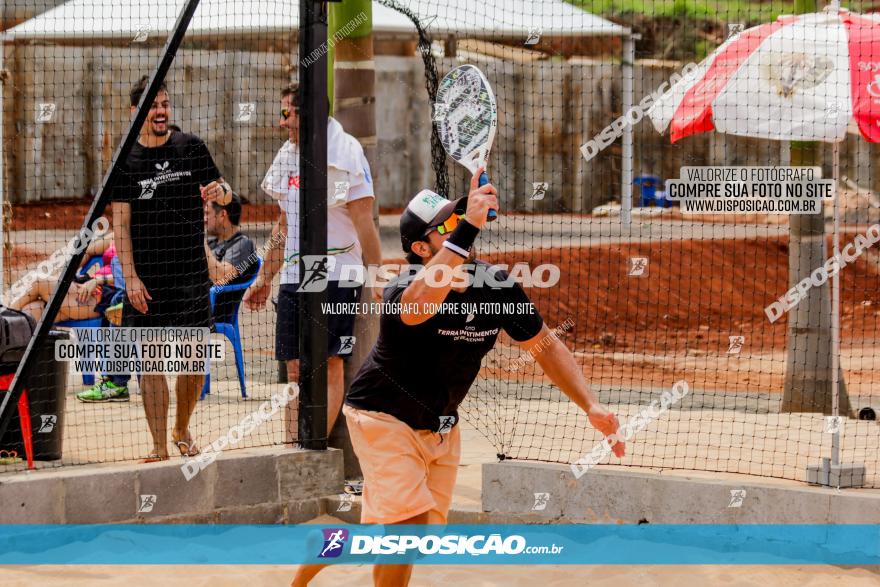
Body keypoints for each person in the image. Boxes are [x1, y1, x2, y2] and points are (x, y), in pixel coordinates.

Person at [291, 169, 625, 587]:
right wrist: (467, 228)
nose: (458, 228)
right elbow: (418, 307)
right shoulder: (404, 286)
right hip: (381, 416)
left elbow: (544, 345)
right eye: (446, 226)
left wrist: (590, 404)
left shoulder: (495, 286)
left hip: (440, 426)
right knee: (407, 527)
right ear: (419, 246)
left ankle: (327, 544)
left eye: (458, 219)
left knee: (408, 534)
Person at [244, 83, 382, 441]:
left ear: (309, 115)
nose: (281, 123)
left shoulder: (345, 153)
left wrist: (377, 275)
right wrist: (264, 278)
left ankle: (313, 446)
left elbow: (364, 219)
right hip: (294, 272)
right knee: (293, 366)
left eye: (286, 114)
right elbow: (284, 224)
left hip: (335, 271)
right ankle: (294, 447)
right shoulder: (289, 154)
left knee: (328, 362)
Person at [111, 75, 233, 462]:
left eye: (164, 103)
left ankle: (182, 427)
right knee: (151, 361)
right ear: (136, 112)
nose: (160, 110)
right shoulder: (125, 160)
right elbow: (121, 225)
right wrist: (130, 277)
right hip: (148, 278)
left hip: (190, 275)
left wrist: (222, 192)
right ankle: (160, 443)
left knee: (194, 358)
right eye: (152, 105)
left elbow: (226, 192)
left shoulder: (191, 148)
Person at [10, 230, 120, 324]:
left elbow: (132, 278)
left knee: (37, 281)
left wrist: (98, 280)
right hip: (87, 286)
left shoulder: (136, 240)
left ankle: (3, 318)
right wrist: (67, 276)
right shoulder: (119, 233)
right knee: (30, 311)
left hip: (109, 295)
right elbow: (88, 251)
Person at [204, 191, 257, 318]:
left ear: (222, 214)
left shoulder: (243, 245)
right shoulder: (211, 243)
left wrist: (199, 240)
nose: (204, 219)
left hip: (211, 312)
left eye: (207, 213)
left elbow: (221, 278)